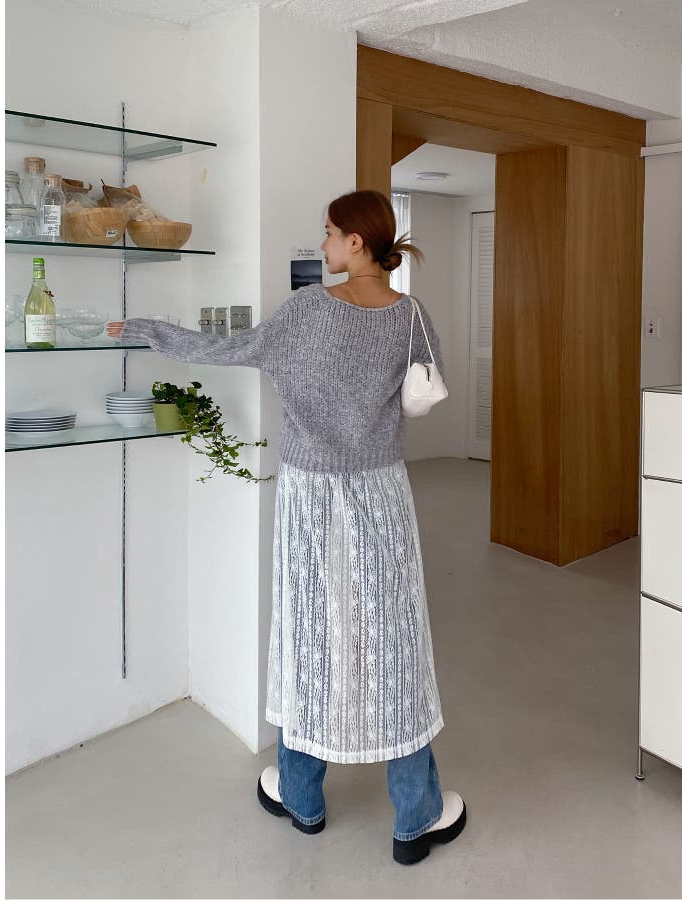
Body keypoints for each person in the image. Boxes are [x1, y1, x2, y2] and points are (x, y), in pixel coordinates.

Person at [106, 189, 466, 865]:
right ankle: (416, 814)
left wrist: (151, 330)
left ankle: (301, 796)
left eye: (329, 232)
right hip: (381, 491)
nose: (324, 244)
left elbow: (229, 348)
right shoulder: (411, 315)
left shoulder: (307, 311)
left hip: (311, 495)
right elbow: (425, 391)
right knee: (395, 643)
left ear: (356, 241)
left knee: (308, 634)